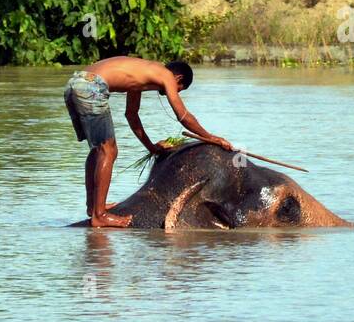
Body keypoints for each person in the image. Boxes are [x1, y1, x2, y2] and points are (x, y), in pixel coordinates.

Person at [64, 57, 232, 228]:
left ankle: (93, 207)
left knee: (97, 149)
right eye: (178, 89)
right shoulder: (166, 75)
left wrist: (151, 147)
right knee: (109, 151)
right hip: (92, 87)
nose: (174, 92)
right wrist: (212, 138)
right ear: (178, 79)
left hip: (75, 83)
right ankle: (99, 215)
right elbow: (183, 116)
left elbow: (131, 115)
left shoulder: (140, 75)